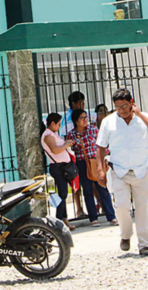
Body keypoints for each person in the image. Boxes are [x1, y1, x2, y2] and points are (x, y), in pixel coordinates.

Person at [96, 88, 148, 256]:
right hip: (119, 170)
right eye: (118, 107)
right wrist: (100, 170)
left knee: (142, 208)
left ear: (132, 102)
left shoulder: (143, 118)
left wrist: (140, 115)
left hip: (141, 169)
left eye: (125, 106)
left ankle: (145, 244)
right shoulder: (108, 122)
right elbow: (101, 146)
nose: (122, 111)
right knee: (122, 206)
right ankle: (125, 235)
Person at [67, 109, 116, 227]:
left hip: (95, 161)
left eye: (86, 117)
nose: (85, 120)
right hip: (82, 163)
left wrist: (105, 160)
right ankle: (93, 218)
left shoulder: (93, 129)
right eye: (82, 118)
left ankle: (111, 216)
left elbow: (102, 144)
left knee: (102, 188)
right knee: (88, 190)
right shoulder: (72, 134)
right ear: (75, 121)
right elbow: (70, 150)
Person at [41, 112, 76, 231]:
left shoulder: (53, 134)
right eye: (59, 124)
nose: (59, 126)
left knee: (63, 193)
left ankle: (64, 219)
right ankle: (59, 219)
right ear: (52, 123)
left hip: (63, 167)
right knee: (63, 194)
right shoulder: (48, 135)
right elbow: (55, 150)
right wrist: (66, 145)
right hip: (58, 168)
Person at [59, 91, 85, 219]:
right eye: (80, 103)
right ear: (74, 104)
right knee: (75, 183)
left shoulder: (83, 116)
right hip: (72, 154)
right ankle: (79, 208)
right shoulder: (67, 119)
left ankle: (97, 206)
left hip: (83, 153)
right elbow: (64, 137)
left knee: (90, 181)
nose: (83, 105)